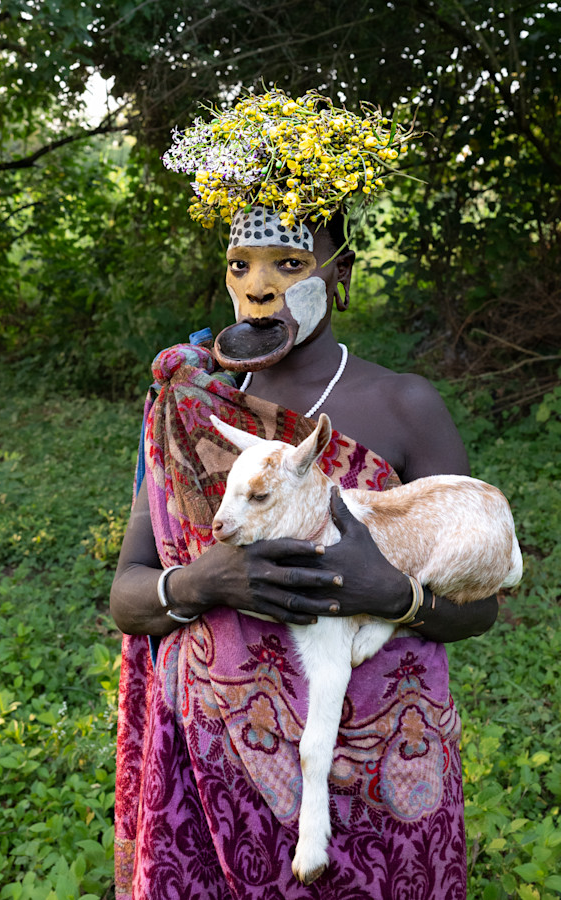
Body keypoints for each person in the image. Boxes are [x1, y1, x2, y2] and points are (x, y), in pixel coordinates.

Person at [110, 90, 498, 900]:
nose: (257, 289)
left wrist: (395, 594)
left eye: (288, 265)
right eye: (240, 265)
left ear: (339, 275)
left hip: (384, 779)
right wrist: (204, 582)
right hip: (215, 779)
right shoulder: (189, 405)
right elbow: (128, 594)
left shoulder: (402, 408)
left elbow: (483, 602)